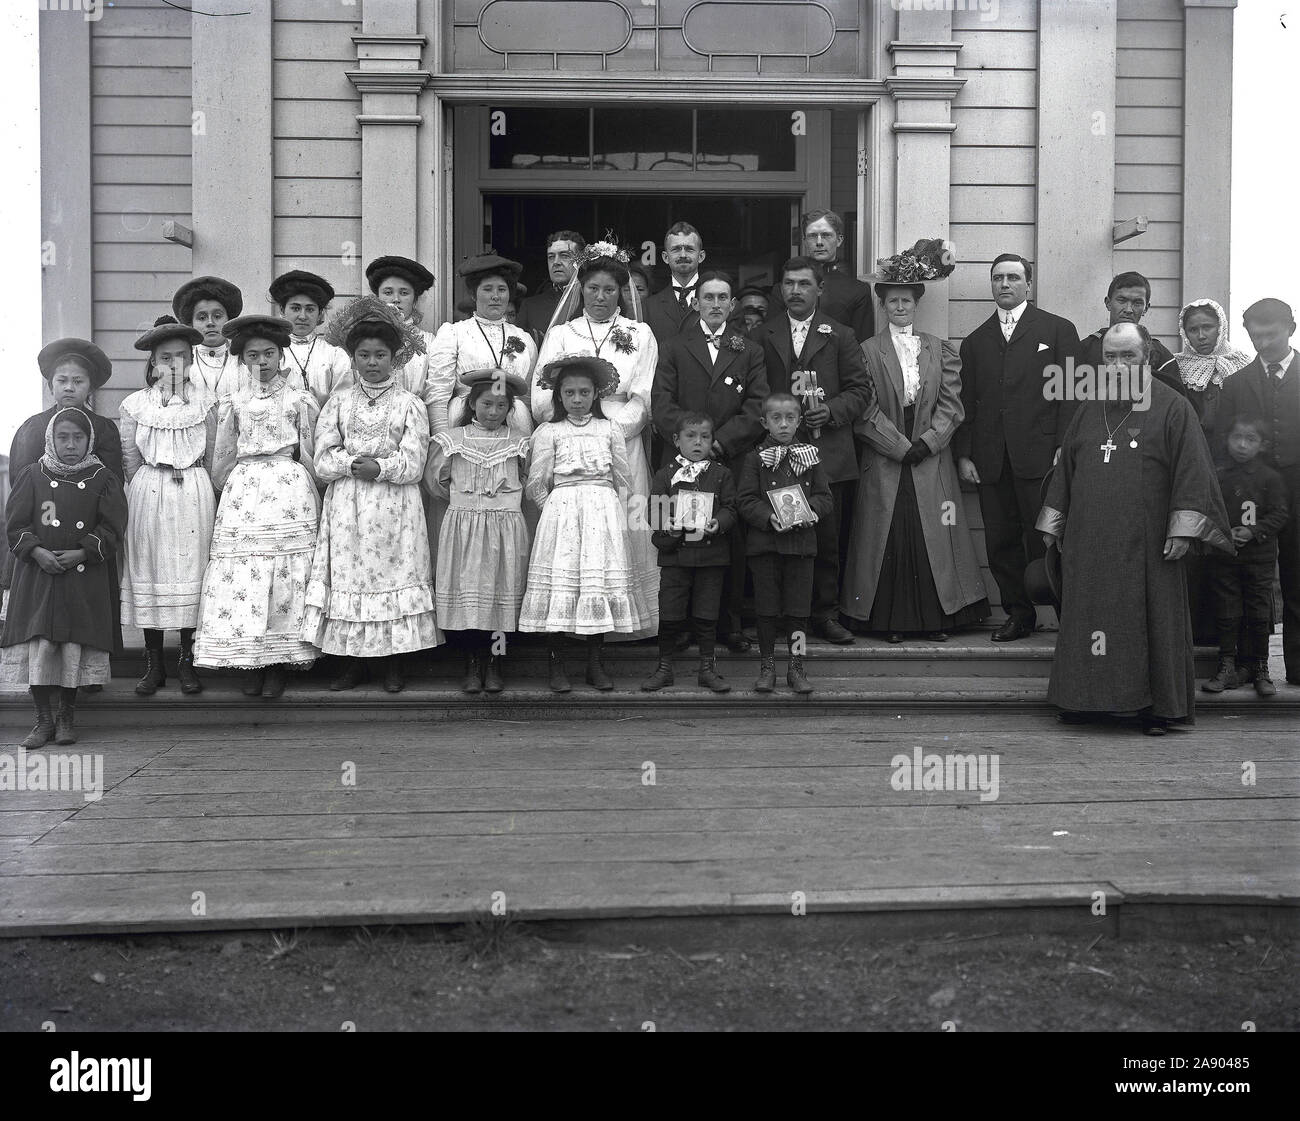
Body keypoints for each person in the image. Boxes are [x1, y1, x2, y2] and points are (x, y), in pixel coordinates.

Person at [1037, 324, 1232, 735]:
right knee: (1089, 618)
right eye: (1110, 356)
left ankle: (1156, 709)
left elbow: (1194, 471)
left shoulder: (1174, 407)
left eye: (1128, 356)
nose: (1118, 364)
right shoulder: (1089, 406)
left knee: (1150, 620)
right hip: (1089, 541)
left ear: (1148, 358)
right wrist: (1054, 522)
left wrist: (1183, 529)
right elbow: (1066, 470)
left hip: (1149, 543)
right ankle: (1085, 700)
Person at [843, 276, 989, 642]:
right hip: (885, 455)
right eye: (892, 301)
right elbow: (864, 409)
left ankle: (937, 620)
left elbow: (952, 404)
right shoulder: (866, 351)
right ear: (883, 306)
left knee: (934, 532)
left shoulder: (940, 349)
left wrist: (928, 443)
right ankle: (889, 622)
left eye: (906, 301)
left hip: (930, 456)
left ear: (916, 304)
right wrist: (898, 447)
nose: (900, 307)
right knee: (888, 532)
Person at [305, 298, 440, 693]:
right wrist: (352, 465)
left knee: (394, 575)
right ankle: (352, 662)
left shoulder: (410, 404)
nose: (372, 362)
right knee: (352, 578)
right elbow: (323, 458)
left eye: (380, 355)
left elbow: (414, 461)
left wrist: (380, 469)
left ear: (394, 358)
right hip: (348, 505)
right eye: (364, 355)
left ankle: (394, 663)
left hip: (395, 507)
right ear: (353, 358)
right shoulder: (338, 403)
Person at [534, 241, 659, 638]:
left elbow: (643, 396)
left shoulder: (639, 334)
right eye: (593, 289)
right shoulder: (562, 334)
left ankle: (623, 623)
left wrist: (609, 433)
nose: (601, 297)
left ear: (622, 292)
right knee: (574, 531)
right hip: (569, 444)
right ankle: (571, 621)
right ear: (580, 289)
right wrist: (574, 426)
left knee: (622, 525)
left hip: (621, 443)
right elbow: (541, 394)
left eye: (609, 289)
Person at [193, 315, 322, 698]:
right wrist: (229, 489)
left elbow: (310, 452)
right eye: (253, 355)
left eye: (268, 353)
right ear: (242, 359)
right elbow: (222, 456)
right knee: (246, 573)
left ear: (281, 356)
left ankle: (281, 661)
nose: (262, 361)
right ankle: (250, 657)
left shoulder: (299, 399)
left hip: (288, 488)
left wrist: (310, 489)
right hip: (245, 489)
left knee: (284, 573)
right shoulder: (233, 402)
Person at [954, 252, 1081, 642]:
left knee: (1048, 537)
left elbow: (1071, 394)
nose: (1005, 284)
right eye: (998, 278)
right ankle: (1019, 615)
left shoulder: (1058, 331)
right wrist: (964, 453)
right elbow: (967, 402)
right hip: (992, 460)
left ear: (1028, 283)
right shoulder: (975, 342)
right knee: (1001, 541)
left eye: (1012, 277)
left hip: (1041, 457)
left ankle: (1067, 616)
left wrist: (1063, 445)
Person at [749, 256, 875, 644]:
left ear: (820, 289)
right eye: (789, 283)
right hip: (775, 456)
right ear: (780, 289)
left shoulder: (841, 335)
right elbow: (754, 390)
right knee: (775, 538)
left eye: (804, 284)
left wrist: (832, 411)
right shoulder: (764, 334)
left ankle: (825, 614)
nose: (795, 291)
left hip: (827, 456)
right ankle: (779, 617)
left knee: (826, 540)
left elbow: (861, 390)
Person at [651, 268, 768, 651]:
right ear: (696, 303)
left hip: (728, 461)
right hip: (681, 461)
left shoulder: (748, 349)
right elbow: (661, 401)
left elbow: (757, 405)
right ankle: (682, 625)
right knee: (683, 537)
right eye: (708, 297)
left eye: (722, 298)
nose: (715, 304)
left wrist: (720, 442)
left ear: (732, 305)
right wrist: (691, 442)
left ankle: (727, 625)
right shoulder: (673, 346)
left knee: (727, 540)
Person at [519, 355, 652, 691]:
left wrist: (609, 509)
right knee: (561, 586)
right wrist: (554, 509)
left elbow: (623, 477)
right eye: (569, 393)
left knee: (597, 584)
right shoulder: (550, 431)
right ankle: (557, 665)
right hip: (562, 512)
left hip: (601, 511)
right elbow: (536, 482)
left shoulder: (609, 429)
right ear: (559, 396)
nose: (577, 400)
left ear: (595, 394)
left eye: (584, 392)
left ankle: (595, 663)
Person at [2, 408, 126, 747]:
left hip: (81, 577)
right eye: (63, 437)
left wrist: (83, 552)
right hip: (39, 575)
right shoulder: (33, 475)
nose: (70, 445)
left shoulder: (103, 478)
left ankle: (66, 716)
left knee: (73, 645)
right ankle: (43, 719)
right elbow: (16, 524)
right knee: (41, 644)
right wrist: (37, 551)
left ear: (89, 441)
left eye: (78, 438)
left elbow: (112, 526)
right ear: (50, 439)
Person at [119, 316, 218, 696]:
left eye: (180, 356)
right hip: (149, 490)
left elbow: (214, 454)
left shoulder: (207, 402)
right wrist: (148, 485)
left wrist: (197, 481)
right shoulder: (135, 405)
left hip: (193, 490)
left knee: (191, 568)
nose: (173, 364)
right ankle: (154, 663)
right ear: (153, 362)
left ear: (191, 360)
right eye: (165, 357)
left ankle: (187, 661)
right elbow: (130, 458)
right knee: (151, 567)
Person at [427, 367, 532, 695]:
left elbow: (528, 479)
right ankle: (472, 661)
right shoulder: (452, 441)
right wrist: (467, 504)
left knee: (500, 596)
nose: (493, 412)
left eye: (501, 406)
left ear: (510, 409)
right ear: (472, 404)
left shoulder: (519, 443)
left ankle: (495, 661)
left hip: (504, 529)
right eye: (487, 404)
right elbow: (437, 483)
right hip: (465, 527)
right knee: (470, 597)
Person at [3, 340, 124, 623]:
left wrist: (86, 547)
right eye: (62, 380)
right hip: (41, 538)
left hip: (86, 543)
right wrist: (37, 545)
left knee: (84, 619)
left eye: (78, 381)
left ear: (90, 388)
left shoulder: (103, 429)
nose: (70, 387)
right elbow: (20, 486)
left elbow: (113, 488)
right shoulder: (33, 428)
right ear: (50, 386)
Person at [1214, 297, 1300, 687]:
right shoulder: (1235, 383)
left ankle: (1298, 667)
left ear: (1290, 330)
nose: (1262, 344)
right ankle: (1250, 664)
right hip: (1249, 495)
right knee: (1249, 579)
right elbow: (1222, 442)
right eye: (1255, 336)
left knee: (1297, 576)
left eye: (1271, 335)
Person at [737, 393, 832, 693]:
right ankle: (767, 666)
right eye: (776, 418)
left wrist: (812, 512)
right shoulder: (754, 459)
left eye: (790, 418)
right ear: (764, 422)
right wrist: (768, 517)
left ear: (799, 421)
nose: (783, 424)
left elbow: (825, 496)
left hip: (801, 546)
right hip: (765, 546)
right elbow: (745, 500)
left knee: (798, 611)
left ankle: (796, 666)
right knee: (766, 610)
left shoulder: (811, 456)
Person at [641, 412, 738, 693]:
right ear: (676, 440)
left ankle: (707, 669)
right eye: (691, 436)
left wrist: (719, 522)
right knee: (670, 613)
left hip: (710, 556)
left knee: (707, 614)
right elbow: (654, 511)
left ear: (712, 441)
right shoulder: (665, 474)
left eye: (705, 437)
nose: (698, 442)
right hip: (676, 556)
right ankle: (664, 668)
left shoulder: (721, 474)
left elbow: (731, 507)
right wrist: (667, 524)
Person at [1201, 416, 1289, 697]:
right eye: (1236, 437)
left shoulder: (1270, 478)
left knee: (1259, 612)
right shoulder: (1218, 475)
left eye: (1250, 439)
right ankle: (1227, 666)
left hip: (1259, 558)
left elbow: (1280, 514)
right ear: (1226, 439)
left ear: (1262, 445)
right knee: (1227, 611)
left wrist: (1254, 531)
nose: (1242, 445)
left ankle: (1260, 668)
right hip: (1225, 555)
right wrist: (1223, 532)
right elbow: (1209, 508)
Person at [428, 253, 536, 433]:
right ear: (473, 294)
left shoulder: (524, 338)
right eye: (487, 289)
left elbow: (527, 396)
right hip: (464, 419)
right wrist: (443, 438)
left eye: (502, 289)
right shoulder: (454, 333)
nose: (495, 296)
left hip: (515, 421)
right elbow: (438, 393)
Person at [766, 209, 874, 343]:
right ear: (805, 241)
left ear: (839, 240)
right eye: (812, 236)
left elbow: (862, 344)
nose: (819, 242)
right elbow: (771, 338)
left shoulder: (857, 290)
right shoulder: (782, 290)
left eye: (826, 235)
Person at [1074, 271, 1182, 402]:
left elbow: (1174, 401)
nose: (1128, 309)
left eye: (1137, 303)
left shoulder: (1159, 354)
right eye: (1122, 300)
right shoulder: (1086, 348)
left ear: (1146, 308)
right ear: (1108, 303)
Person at [364, 254, 439, 433]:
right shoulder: (361, 338)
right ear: (377, 297)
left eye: (404, 293)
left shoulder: (430, 342)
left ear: (415, 300)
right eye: (388, 293)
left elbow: (435, 393)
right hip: (369, 421)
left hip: (415, 424)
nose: (396, 299)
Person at [269, 269, 353, 407]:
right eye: (295, 308)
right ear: (282, 310)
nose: (302, 316)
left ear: (320, 314)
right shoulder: (269, 353)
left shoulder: (335, 356)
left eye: (310, 309)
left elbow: (342, 403)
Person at [1173, 298, 1252, 435]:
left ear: (1221, 327)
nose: (1201, 336)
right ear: (1185, 333)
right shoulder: (1175, 366)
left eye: (1207, 327)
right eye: (1193, 329)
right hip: (1190, 441)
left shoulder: (1242, 363)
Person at [172, 275, 248, 399]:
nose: (210, 323)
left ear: (229, 320)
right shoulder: (182, 362)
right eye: (202, 318)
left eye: (217, 316)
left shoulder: (244, 361)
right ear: (191, 324)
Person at [515, 230, 586, 341]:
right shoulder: (530, 306)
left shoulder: (594, 303)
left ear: (581, 261)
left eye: (564, 256)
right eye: (551, 257)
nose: (556, 262)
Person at [642, 222, 706, 343]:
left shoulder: (722, 303)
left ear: (701, 256)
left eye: (689, 249)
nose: (683, 255)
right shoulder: (647, 308)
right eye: (676, 249)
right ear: (665, 257)